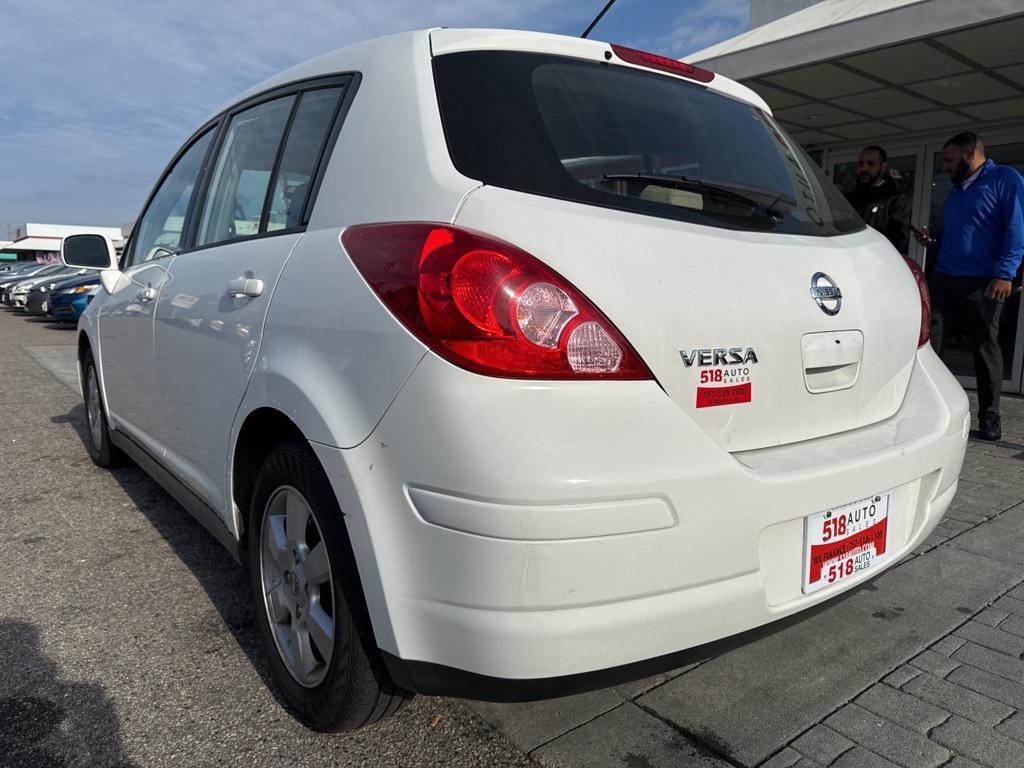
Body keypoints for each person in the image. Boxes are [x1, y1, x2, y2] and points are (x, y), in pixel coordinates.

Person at [916, 132, 1024, 441]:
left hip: (984, 283)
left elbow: (1017, 230)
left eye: (950, 160)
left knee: (984, 347)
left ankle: (990, 418)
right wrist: (932, 242)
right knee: (930, 344)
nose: (946, 167)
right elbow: (964, 234)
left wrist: (1006, 273)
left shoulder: (1005, 179)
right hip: (945, 279)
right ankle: (925, 412)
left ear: (969, 154)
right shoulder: (957, 191)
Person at [845, 145, 911, 254]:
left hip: (878, 261)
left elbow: (898, 238)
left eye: (871, 164)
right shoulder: (849, 198)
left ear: (883, 167)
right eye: (861, 164)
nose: (864, 168)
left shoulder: (895, 200)